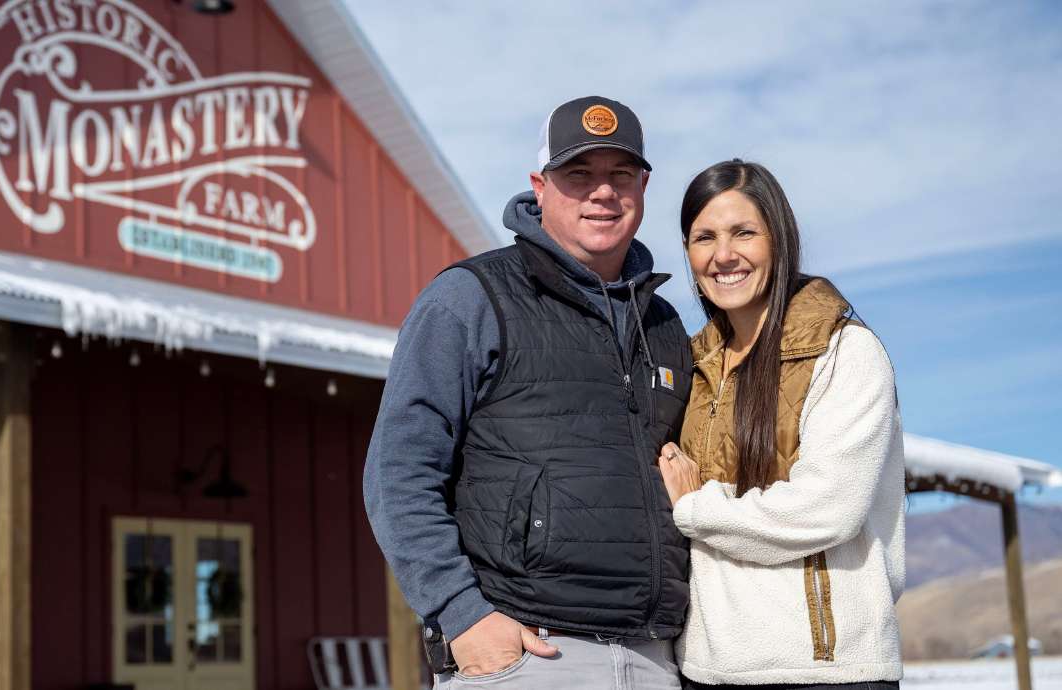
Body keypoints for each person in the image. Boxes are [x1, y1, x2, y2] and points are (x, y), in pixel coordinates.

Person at [363, 96, 691, 688]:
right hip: (525, 655)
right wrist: (461, 615)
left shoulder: (665, 325)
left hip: (655, 660)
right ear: (539, 187)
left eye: (621, 174)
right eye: (579, 175)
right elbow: (399, 470)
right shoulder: (471, 298)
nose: (602, 192)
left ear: (643, 186)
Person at [657, 159, 905, 689]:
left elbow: (826, 509)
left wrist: (694, 506)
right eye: (704, 237)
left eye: (743, 232)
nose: (723, 255)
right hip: (705, 668)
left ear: (780, 238)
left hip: (822, 669)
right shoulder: (691, 367)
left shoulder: (844, 352)